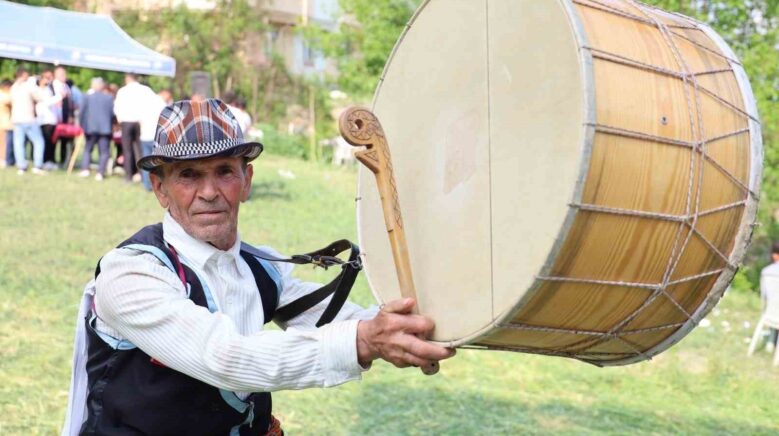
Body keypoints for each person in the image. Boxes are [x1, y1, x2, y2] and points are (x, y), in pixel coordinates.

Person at [62, 98, 454, 435]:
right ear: (160, 188)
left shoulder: (259, 267)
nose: (210, 192)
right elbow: (224, 357)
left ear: (246, 180)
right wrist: (366, 340)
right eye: (188, 175)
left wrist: (429, 324)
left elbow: (341, 320)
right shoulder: (130, 275)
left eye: (224, 171)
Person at [114, 73, 153, 183]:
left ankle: (128, 175)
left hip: (126, 121)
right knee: (139, 149)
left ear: (127, 79)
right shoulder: (145, 90)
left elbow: (117, 107)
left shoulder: (122, 91)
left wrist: (119, 120)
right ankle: (142, 174)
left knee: (127, 149)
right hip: (140, 122)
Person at [10, 67, 46, 175]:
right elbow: (40, 97)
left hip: (16, 119)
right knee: (39, 142)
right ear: (23, 75)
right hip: (28, 119)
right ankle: (38, 165)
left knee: (18, 143)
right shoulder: (28, 86)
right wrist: (40, 86)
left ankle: (21, 166)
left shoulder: (13, 87)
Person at [78, 78, 114, 181]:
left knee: (88, 149)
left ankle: (85, 169)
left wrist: (82, 125)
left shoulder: (87, 97)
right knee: (104, 151)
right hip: (105, 128)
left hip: (90, 128)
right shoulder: (108, 98)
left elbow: (82, 113)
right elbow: (111, 114)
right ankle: (100, 173)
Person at [138, 88, 166, 190]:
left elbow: (139, 119)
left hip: (145, 136)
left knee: (146, 162)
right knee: (158, 163)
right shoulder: (161, 103)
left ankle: (147, 185)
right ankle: (158, 185)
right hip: (156, 137)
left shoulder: (143, 103)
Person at [36, 70, 63, 170]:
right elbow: (47, 103)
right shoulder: (40, 91)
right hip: (45, 120)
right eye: (46, 78)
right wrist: (59, 96)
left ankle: (50, 160)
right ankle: (46, 161)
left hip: (51, 120)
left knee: (51, 142)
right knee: (46, 142)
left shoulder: (49, 89)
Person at [760, 242, 779, 352]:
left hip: (770, 312)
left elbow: (766, 296)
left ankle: (770, 343)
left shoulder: (766, 271)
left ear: (774, 255)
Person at [0, 79, 13, 168]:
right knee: (4, 143)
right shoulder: (4, 95)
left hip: (5, 122)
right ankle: (3, 159)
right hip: (4, 123)